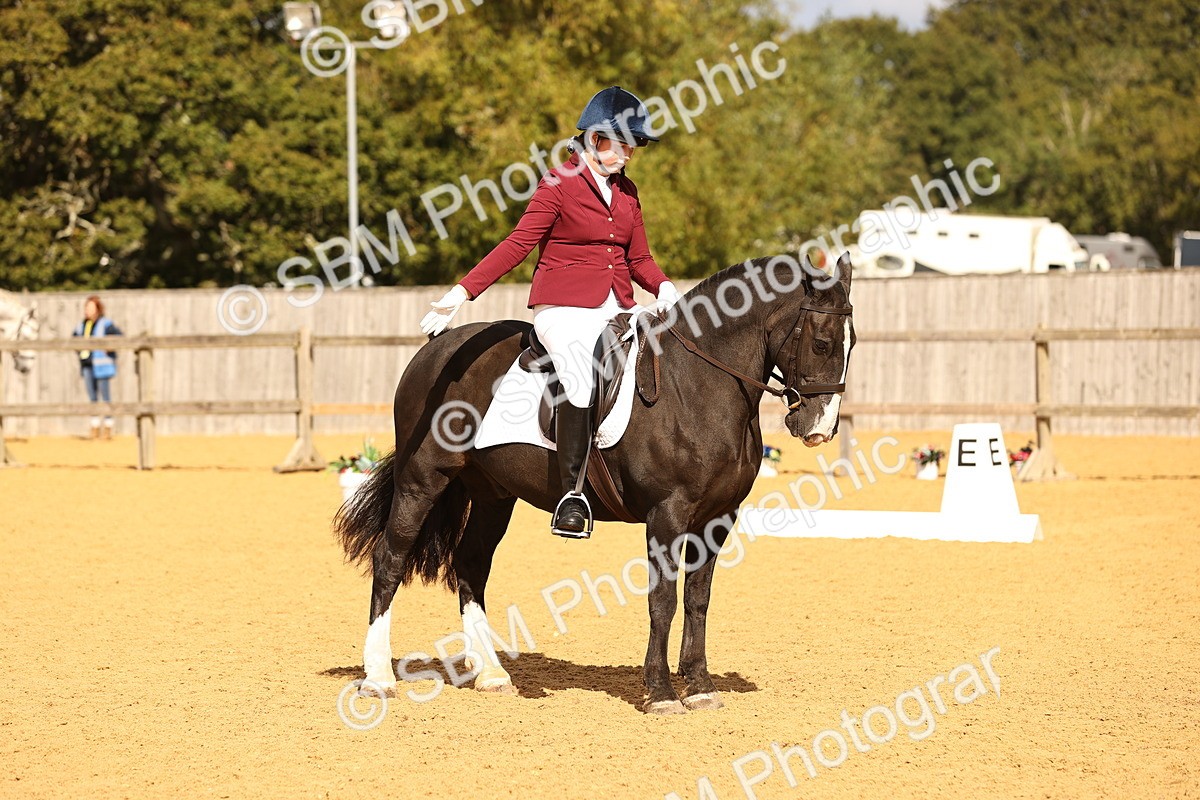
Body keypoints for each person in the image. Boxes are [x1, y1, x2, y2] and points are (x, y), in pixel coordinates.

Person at [419, 86, 683, 539]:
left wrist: (665, 288)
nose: (628, 154)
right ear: (596, 139)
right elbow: (518, 244)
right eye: (621, 144)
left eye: (632, 146)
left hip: (617, 304)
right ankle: (572, 495)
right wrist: (463, 291)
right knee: (580, 376)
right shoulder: (558, 183)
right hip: (563, 306)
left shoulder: (628, 193)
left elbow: (639, 259)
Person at [72, 295, 123, 439]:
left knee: (105, 397)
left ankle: (108, 427)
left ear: (98, 309)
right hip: (87, 365)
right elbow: (73, 340)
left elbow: (119, 337)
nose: (88, 310)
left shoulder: (106, 324)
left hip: (102, 366)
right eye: (86, 307)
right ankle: (94, 427)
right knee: (92, 397)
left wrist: (110, 347)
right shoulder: (82, 325)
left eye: (91, 307)